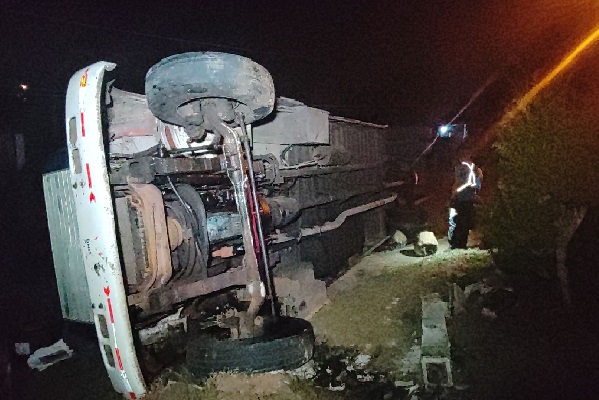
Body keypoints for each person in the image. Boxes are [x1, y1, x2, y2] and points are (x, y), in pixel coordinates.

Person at [448, 149, 482, 249]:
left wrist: (456, 191)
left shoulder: (466, 168)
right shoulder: (467, 168)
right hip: (463, 199)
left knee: (461, 222)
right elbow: (474, 185)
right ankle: (458, 243)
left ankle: (458, 244)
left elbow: (471, 184)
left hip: (463, 199)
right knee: (462, 222)